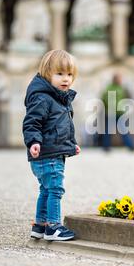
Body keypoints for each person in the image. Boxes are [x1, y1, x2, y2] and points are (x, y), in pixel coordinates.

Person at [22, 50, 81, 241]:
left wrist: (72, 145)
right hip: (47, 153)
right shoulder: (43, 97)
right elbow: (32, 122)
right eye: (60, 74)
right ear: (47, 74)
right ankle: (54, 226)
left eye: (70, 74)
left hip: (52, 152)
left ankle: (40, 225)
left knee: (45, 189)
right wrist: (33, 142)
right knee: (55, 189)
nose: (66, 79)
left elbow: (62, 127)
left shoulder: (59, 98)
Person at [101, 73, 134, 152]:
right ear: (115, 79)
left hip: (120, 113)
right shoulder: (108, 88)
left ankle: (130, 146)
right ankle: (106, 147)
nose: (121, 80)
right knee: (108, 131)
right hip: (110, 113)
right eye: (119, 78)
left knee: (123, 130)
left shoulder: (122, 88)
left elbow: (127, 98)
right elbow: (103, 98)